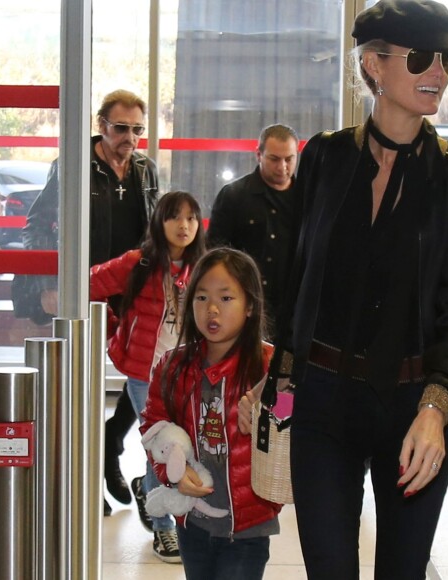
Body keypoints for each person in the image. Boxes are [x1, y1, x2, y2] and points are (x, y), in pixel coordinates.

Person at [239, 1, 448, 578]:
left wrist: (438, 407)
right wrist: (276, 380)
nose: (440, 73)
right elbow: (294, 280)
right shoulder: (326, 157)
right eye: (424, 58)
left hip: (414, 406)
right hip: (323, 402)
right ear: (375, 66)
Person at [21, 89, 159, 516]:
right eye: (121, 128)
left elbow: (155, 228)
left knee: (142, 379)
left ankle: (110, 443)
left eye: (138, 129)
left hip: (131, 291)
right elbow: (37, 227)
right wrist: (50, 288)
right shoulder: (74, 166)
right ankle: (82, 479)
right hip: (88, 289)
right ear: (102, 126)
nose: (130, 138)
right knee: (79, 385)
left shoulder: (145, 169)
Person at [141, 248, 281, 580]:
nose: (212, 309)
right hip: (192, 522)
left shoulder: (270, 366)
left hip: (247, 526)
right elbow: (153, 427)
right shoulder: (172, 366)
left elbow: (290, 417)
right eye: (201, 297)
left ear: (250, 306)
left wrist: (269, 413)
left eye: (226, 297)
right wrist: (171, 471)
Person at [90, 191, 205, 562]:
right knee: (163, 444)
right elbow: (90, 283)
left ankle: (150, 490)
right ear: (160, 222)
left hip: (187, 372)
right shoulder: (138, 263)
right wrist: (115, 329)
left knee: (178, 444)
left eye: (191, 218)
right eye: (175, 217)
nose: (184, 225)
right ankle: (164, 529)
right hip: (145, 374)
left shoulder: (203, 265)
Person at [206, 124, 299, 336]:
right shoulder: (234, 196)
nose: (282, 167)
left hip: (292, 312)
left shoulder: (307, 200)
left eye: (289, 159)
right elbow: (215, 254)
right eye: (274, 159)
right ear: (259, 155)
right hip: (244, 308)